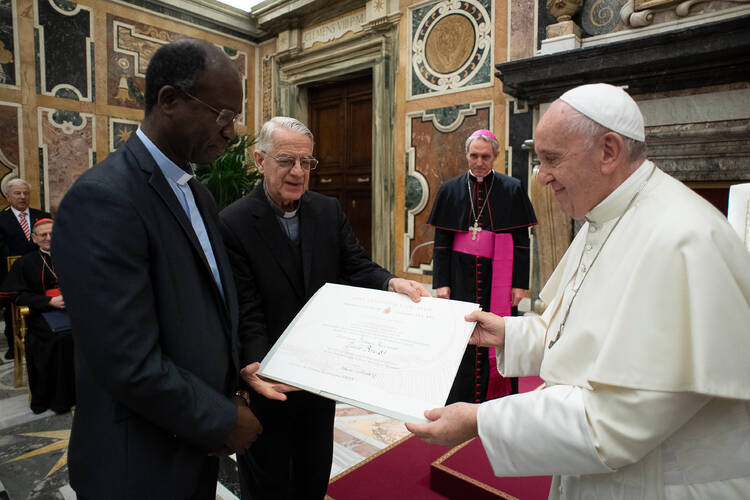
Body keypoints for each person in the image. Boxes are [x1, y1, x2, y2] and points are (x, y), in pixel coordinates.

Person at [407, 83, 750, 498]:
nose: (541, 175)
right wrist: (509, 332)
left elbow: (615, 423)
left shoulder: (685, 240)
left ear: (608, 151)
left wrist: (481, 420)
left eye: (551, 159)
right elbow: (582, 333)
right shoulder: (605, 217)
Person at [52, 39, 262, 499]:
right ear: (169, 100)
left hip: (191, 444)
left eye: (235, 118)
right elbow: (125, 359)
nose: (230, 132)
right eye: (221, 115)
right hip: (139, 462)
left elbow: (205, 307)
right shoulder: (105, 198)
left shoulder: (198, 193)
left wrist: (236, 378)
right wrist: (222, 419)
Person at [220, 116, 430, 500]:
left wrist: (391, 281)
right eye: (286, 160)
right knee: (268, 481)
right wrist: (254, 366)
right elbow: (245, 304)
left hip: (322, 372)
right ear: (259, 160)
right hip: (270, 377)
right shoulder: (233, 222)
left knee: (313, 473)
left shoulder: (327, 210)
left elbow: (355, 264)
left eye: (307, 163)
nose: (298, 172)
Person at [427, 129, 536, 404]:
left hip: (498, 275)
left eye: (485, 156)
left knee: (498, 332)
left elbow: (522, 242)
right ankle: (459, 396)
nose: (479, 162)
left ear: (496, 156)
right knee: (460, 334)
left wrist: (519, 284)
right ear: (467, 155)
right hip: (459, 273)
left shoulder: (511, 188)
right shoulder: (450, 189)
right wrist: (441, 283)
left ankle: (497, 397)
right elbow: (441, 243)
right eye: (474, 155)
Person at [1, 218, 75, 414]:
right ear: (34, 238)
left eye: (52, 234)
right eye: (43, 235)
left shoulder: (73, 257)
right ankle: (61, 398)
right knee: (62, 339)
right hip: (41, 313)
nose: (49, 238)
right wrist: (49, 302)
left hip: (74, 312)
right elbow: (14, 295)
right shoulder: (25, 263)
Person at [0, 179, 51, 360]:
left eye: (25, 193)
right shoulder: (1, 220)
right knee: (12, 311)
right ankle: (15, 346)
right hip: (13, 274)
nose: (23, 197)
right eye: (17, 193)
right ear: (8, 196)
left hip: (44, 271)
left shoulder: (43, 216)